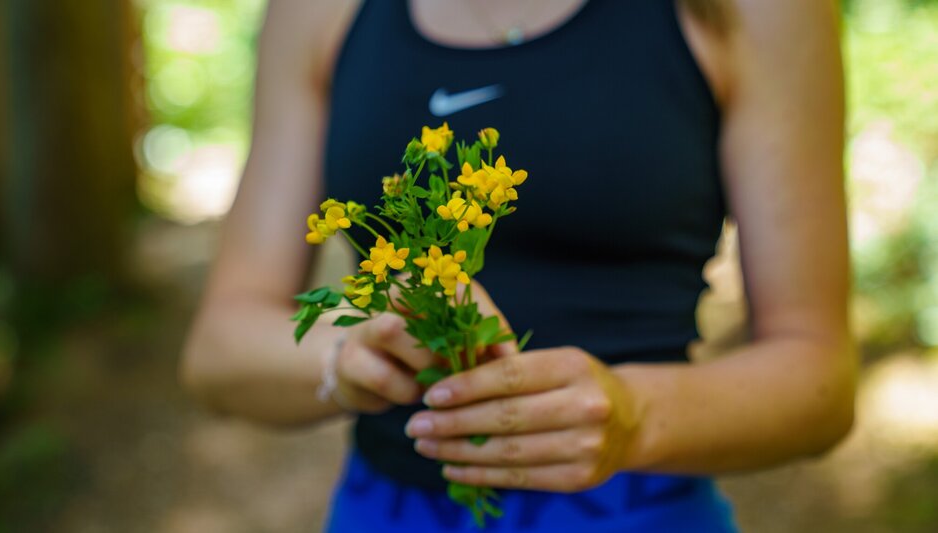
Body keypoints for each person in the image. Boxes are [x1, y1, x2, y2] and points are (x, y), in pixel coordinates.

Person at [181, 0, 855, 531]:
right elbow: (219, 352)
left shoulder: (753, 10)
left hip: (633, 511)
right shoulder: (319, 10)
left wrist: (633, 415)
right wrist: (349, 359)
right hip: (385, 513)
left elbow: (820, 378)